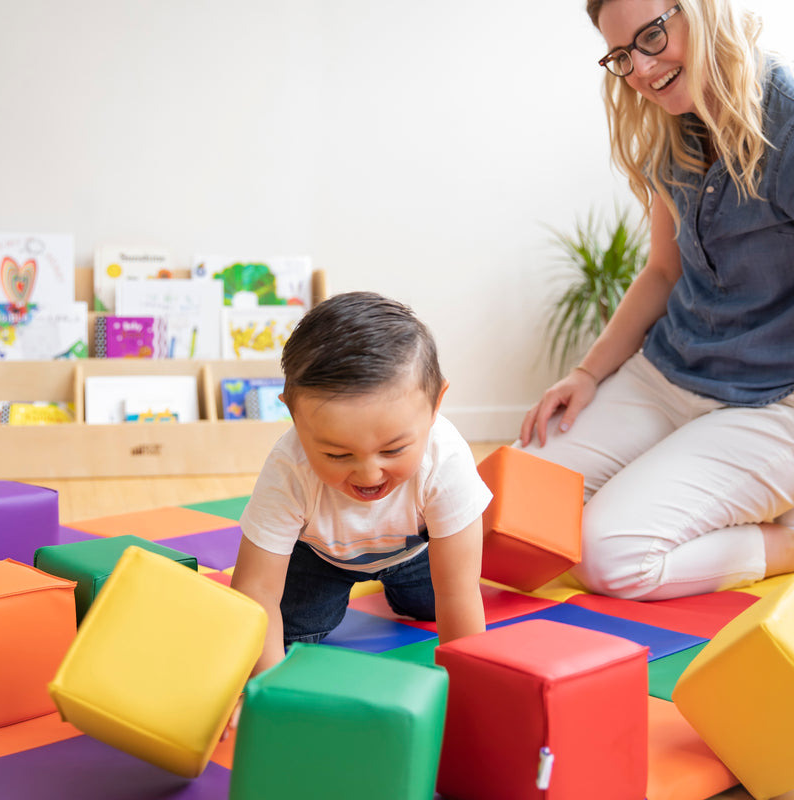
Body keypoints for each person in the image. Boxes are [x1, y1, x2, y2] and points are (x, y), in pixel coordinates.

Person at [517, 0, 794, 601]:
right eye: (622, 55)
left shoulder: (789, 121)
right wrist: (587, 374)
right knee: (515, 502)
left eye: (651, 36)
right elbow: (663, 272)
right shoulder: (671, 125)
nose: (640, 70)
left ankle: (786, 540)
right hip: (668, 373)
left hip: (771, 405)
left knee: (608, 557)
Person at [231, 291, 490, 675]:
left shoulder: (445, 458)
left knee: (440, 602)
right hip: (320, 558)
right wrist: (267, 693)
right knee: (288, 632)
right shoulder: (288, 469)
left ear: (436, 405)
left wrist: (473, 690)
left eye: (393, 450)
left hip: (414, 555)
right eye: (337, 455)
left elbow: (458, 591)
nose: (369, 475)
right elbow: (256, 591)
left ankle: (406, 585)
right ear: (293, 414)